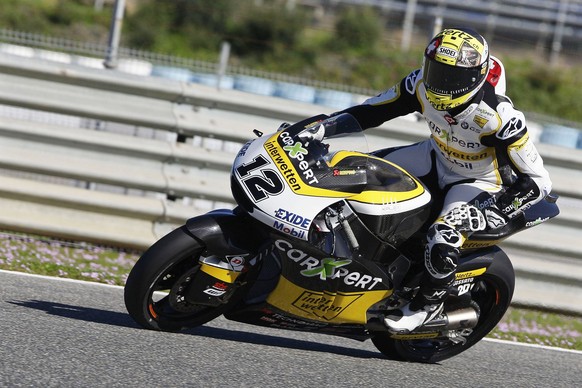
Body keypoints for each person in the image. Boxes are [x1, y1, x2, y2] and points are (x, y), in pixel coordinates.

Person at [333, 27, 552, 333]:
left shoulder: (500, 117)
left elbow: (539, 182)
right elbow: (370, 111)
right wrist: (321, 128)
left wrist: (492, 210)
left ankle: (426, 306)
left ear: (476, 77)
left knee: (444, 236)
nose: (442, 83)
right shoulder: (419, 84)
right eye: (438, 72)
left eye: (454, 78)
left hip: (478, 180)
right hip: (433, 156)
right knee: (350, 171)